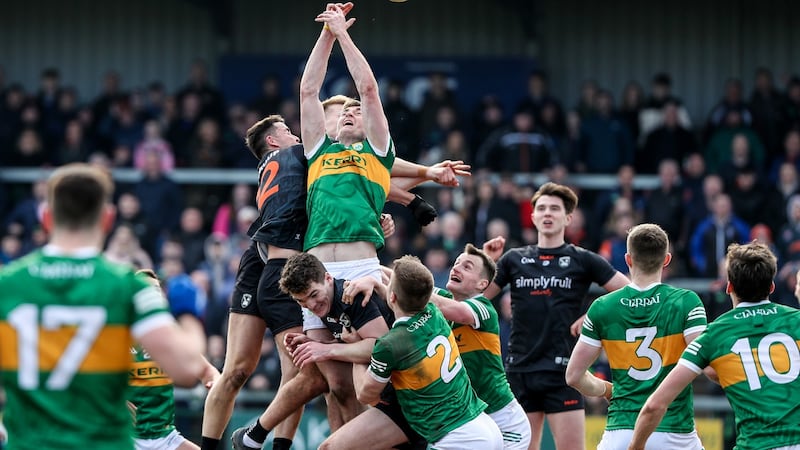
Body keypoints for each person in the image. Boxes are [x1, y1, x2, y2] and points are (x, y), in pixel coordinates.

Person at [0, 163, 207, 449]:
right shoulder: (127, 287)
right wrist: (188, 314)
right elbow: (186, 370)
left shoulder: (7, 284)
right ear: (107, 219)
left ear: (46, 218)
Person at [483, 182, 629, 450]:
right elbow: (477, 298)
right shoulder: (513, 259)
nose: (547, 213)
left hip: (564, 373)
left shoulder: (583, 259)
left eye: (554, 208)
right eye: (541, 208)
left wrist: (592, 316)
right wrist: (486, 263)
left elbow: (630, 293)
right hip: (520, 371)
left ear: (568, 218)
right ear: (533, 216)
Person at [233, 252, 427, 450]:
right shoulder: (327, 303)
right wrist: (314, 343)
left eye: (313, 295)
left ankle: (255, 436)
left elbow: (383, 346)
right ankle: (255, 436)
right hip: (395, 400)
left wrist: (326, 350)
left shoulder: (351, 296)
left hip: (411, 400)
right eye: (301, 302)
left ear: (328, 278)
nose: (311, 305)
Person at [629, 242, 800, 450]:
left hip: (757, 445)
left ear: (729, 286)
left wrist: (635, 447)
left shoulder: (714, 335)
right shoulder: (796, 320)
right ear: (771, 287)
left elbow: (654, 405)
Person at [564, 223, 707, 450]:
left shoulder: (602, 307)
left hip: (621, 432)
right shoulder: (687, 302)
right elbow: (705, 363)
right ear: (667, 260)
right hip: (675, 432)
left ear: (628, 260)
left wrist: (606, 389)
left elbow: (573, 376)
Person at [355, 255, 504, 449]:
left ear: (392, 296)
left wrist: (357, 351)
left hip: (458, 437)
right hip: (484, 426)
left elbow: (365, 395)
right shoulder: (434, 313)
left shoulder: (390, 344)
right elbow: (406, 295)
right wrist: (375, 281)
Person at [427, 241, 531, 449]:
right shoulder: (445, 300)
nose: (455, 268)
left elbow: (458, 312)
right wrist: (372, 275)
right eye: (456, 263)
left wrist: (414, 294)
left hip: (505, 424)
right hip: (470, 419)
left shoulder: (483, 307)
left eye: (467, 267)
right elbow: (404, 283)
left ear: (482, 284)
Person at [129, 269, 220, 450]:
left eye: (157, 289)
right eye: (145, 289)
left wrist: (215, 384)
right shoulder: (116, 334)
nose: (153, 294)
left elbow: (208, 371)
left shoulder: (171, 336)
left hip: (165, 437)